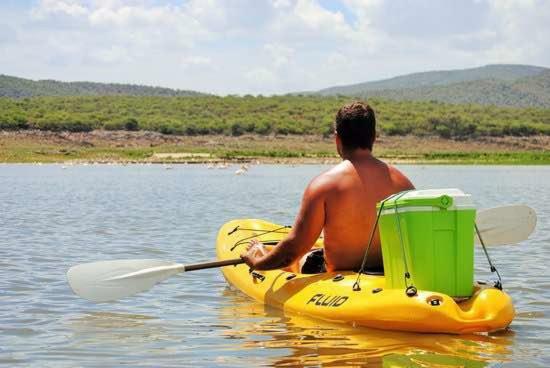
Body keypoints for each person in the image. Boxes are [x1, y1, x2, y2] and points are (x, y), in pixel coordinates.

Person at [241, 101, 415, 273]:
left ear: (337, 137)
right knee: (313, 253)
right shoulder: (403, 183)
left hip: (335, 276)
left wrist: (257, 263)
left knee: (300, 260)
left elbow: (292, 250)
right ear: (374, 136)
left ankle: (260, 250)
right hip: (385, 274)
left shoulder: (324, 185)